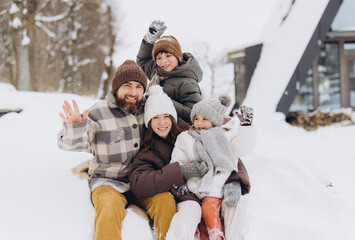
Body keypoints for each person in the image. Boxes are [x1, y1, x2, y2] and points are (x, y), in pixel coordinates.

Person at [57, 60, 176, 240]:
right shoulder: (99, 112)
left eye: (138, 87)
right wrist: (75, 127)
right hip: (108, 182)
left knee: (166, 202)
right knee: (108, 208)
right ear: (116, 87)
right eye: (127, 86)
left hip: (142, 181)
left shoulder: (149, 109)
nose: (133, 92)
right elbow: (71, 144)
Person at [169, 95, 256, 240]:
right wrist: (183, 178)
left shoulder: (225, 137)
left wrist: (246, 127)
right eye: (196, 118)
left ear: (215, 121)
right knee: (201, 216)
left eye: (205, 119)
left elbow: (242, 148)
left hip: (218, 187)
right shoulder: (186, 137)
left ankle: (217, 235)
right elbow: (177, 162)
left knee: (210, 207)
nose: (199, 123)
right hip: (194, 187)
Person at [129, 85, 208, 239]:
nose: (162, 123)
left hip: (197, 193)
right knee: (185, 207)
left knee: (197, 209)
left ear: (173, 118)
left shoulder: (190, 134)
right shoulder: (148, 149)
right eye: (156, 118)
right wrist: (181, 171)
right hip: (179, 197)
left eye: (166, 116)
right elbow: (138, 183)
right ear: (149, 122)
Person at [137, 20, 203, 124]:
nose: (164, 61)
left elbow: (194, 115)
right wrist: (149, 42)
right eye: (159, 57)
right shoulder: (158, 73)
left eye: (168, 56)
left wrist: (161, 98)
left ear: (178, 57)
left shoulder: (187, 82)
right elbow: (142, 63)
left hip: (176, 135)